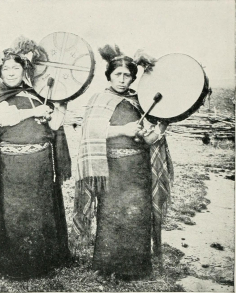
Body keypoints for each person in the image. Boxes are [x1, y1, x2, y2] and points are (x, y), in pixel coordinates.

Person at [0, 37, 72, 280]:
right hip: (13, 167)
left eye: (16, 68)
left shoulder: (36, 94)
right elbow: (1, 119)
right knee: (15, 215)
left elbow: (54, 124)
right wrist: (34, 111)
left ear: (24, 70)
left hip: (40, 164)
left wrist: (61, 105)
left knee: (40, 213)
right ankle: (16, 267)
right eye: (6, 69)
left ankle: (41, 263)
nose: (11, 72)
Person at [72, 44, 174, 280]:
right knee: (110, 215)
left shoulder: (140, 101)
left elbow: (148, 138)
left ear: (133, 78)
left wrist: (162, 126)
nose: (122, 79)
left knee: (137, 215)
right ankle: (106, 266)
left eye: (127, 75)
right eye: (117, 74)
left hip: (137, 170)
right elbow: (92, 132)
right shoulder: (100, 99)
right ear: (108, 76)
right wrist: (124, 130)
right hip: (112, 170)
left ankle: (136, 268)